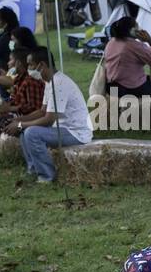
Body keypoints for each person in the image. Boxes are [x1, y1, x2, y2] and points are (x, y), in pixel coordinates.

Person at [12, 48, 93, 185]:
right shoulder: (49, 82)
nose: (29, 69)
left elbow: (48, 120)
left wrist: (20, 125)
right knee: (24, 131)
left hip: (75, 132)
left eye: (31, 65)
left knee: (31, 133)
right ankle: (33, 170)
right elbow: (42, 111)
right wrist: (16, 120)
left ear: (42, 65)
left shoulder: (59, 84)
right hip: (62, 128)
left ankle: (46, 177)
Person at [102, 16, 151, 97]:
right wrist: (150, 40)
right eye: (137, 26)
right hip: (129, 88)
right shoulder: (134, 46)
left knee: (149, 79)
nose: (139, 29)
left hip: (111, 86)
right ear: (132, 31)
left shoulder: (112, 42)